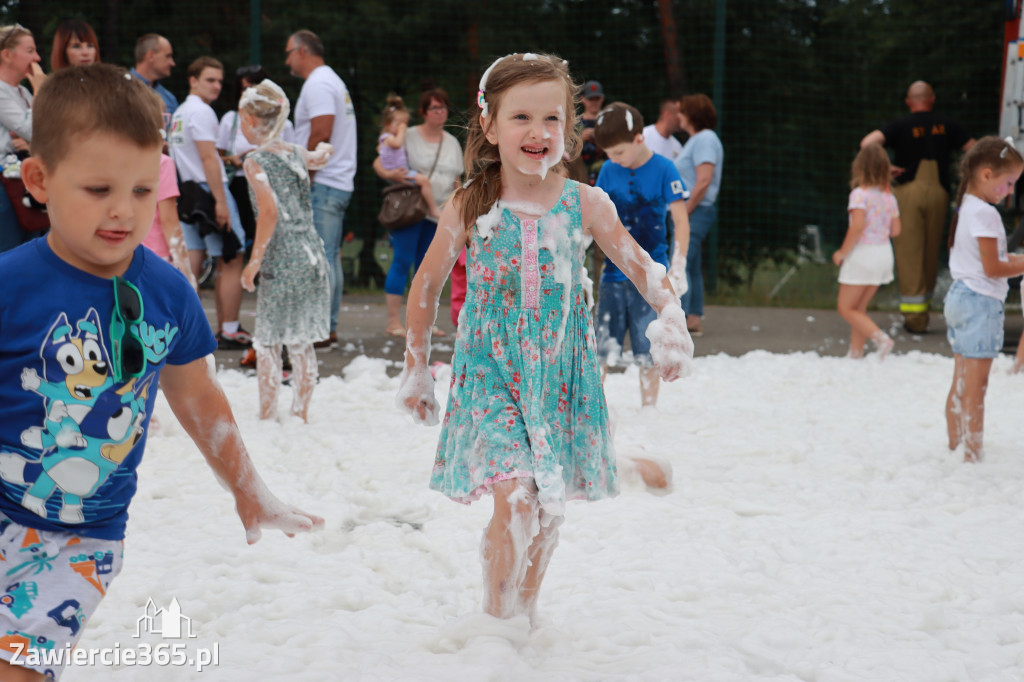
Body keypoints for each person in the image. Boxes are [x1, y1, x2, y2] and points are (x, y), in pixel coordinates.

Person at [1, 63, 322, 679]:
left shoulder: (168, 293)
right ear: (39, 180)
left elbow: (198, 398)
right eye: (99, 190)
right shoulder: (9, 285)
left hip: (81, 541)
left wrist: (249, 490)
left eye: (143, 191)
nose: (124, 211)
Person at [396, 53, 693, 620]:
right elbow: (426, 286)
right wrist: (416, 368)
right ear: (489, 126)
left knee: (550, 506)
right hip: (491, 370)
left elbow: (643, 269)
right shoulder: (471, 203)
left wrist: (672, 323)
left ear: (569, 127)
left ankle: (523, 614)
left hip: (561, 372)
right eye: (520, 118)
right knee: (517, 495)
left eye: (551, 118)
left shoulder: (585, 204)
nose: (537, 132)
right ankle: (494, 616)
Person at [238, 79, 332, 423]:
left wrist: (254, 262)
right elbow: (317, 158)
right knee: (301, 340)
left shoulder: (255, 161)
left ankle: (266, 415)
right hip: (311, 254)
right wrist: (324, 150)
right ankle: (300, 414)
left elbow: (269, 211)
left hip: (282, 259)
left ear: (251, 122)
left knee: (267, 341)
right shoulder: (293, 152)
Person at [593, 101, 690, 407]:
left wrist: (678, 266)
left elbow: (681, 220)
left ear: (639, 139)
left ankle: (649, 408)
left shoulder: (664, 168)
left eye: (619, 152)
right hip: (612, 273)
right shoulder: (609, 169)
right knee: (601, 344)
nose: (613, 159)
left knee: (649, 348)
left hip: (652, 275)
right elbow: (594, 217)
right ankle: (593, 405)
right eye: (608, 154)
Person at [861, 81, 974, 333]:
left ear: (908, 101)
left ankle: (914, 320)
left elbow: (868, 142)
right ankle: (926, 309)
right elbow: (977, 150)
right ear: (932, 99)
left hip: (907, 192)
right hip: (939, 193)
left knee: (909, 253)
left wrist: (884, 168)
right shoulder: (947, 124)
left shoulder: (899, 125)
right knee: (930, 252)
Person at [942, 137, 1024, 463]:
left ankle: (954, 444)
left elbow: (989, 261)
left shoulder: (967, 205)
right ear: (987, 174)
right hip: (980, 304)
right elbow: (993, 268)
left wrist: (1015, 258)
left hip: (960, 298)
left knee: (961, 380)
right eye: (1008, 183)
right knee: (976, 387)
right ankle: (971, 454)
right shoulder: (986, 214)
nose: (1010, 191)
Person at [169, 56, 251, 349]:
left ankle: (181, 328)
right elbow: (207, 158)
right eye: (209, 80)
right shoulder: (202, 112)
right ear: (193, 80)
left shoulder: (179, 112)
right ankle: (228, 329)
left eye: (219, 80)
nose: (217, 86)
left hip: (187, 192)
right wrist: (220, 201)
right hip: (207, 190)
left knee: (192, 258)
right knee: (231, 255)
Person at [373, 86, 464, 337]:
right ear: (424, 111)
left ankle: (424, 320)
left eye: (444, 107)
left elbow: (457, 179)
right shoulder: (409, 135)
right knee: (402, 261)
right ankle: (394, 321)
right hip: (411, 210)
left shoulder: (452, 142)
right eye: (435, 107)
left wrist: (458, 209)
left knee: (428, 267)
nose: (441, 112)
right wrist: (389, 174)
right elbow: (380, 159)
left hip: (439, 213)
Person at [287, 29, 357, 350]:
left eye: (289, 52)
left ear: (302, 51)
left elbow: (321, 131)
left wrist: (307, 175)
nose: (286, 60)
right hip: (337, 182)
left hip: (324, 182)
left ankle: (319, 329)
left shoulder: (318, 84)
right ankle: (326, 326)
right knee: (330, 256)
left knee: (320, 257)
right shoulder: (332, 81)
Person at [832, 143, 901, 359]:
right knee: (858, 309)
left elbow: (858, 226)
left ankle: (882, 340)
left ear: (859, 167)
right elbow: (896, 230)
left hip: (864, 254)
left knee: (845, 308)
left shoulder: (859, 195)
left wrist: (842, 252)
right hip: (883, 254)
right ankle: (855, 355)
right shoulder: (890, 198)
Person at [218, 65, 296, 246]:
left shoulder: (283, 124)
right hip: (239, 185)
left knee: (269, 244)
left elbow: (292, 160)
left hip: (271, 185)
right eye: (245, 88)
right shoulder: (230, 119)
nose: (250, 93)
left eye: (256, 88)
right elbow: (215, 159)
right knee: (237, 243)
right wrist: (234, 160)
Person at [675, 93, 724, 336]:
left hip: (695, 210)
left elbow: (703, 180)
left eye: (682, 112)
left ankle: (679, 319)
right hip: (695, 210)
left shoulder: (705, 139)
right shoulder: (698, 140)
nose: (679, 117)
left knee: (680, 261)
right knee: (691, 264)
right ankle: (692, 318)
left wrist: (684, 212)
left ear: (692, 114)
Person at [0, 24, 45, 253]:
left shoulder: (23, 93)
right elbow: (32, 130)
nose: (36, 58)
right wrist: (40, 92)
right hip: (4, 185)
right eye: (30, 50)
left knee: (31, 246)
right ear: (6, 55)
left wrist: (29, 143)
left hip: (23, 178)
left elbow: (44, 133)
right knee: (9, 250)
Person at [140, 148, 198, 290]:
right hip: (157, 257)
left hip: (126, 254)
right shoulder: (161, 162)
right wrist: (186, 273)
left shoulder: (113, 159)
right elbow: (169, 220)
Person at [376, 94, 441, 219]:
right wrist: (401, 131)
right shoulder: (388, 137)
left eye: (405, 123)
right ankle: (433, 209)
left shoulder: (385, 139)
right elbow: (397, 144)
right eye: (399, 123)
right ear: (388, 124)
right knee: (424, 181)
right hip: (400, 172)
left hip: (401, 171)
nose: (403, 126)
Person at [131, 33, 177, 118]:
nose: (172, 63)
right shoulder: (119, 89)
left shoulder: (170, 99)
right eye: (168, 56)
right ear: (151, 56)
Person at [579, 79, 607, 185]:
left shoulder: (610, 120)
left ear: (602, 98)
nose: (594, 102)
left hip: (606, 175)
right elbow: (567, 153)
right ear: (583, 99)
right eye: (591, 99)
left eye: (597, 98)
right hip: (582, 176)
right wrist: (581, 139)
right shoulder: (575, 123)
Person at [643, 97, 684, 162]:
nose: (680, 119)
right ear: (667, 114)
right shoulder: (642, 136)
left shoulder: (677, 147)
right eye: (677, 116)